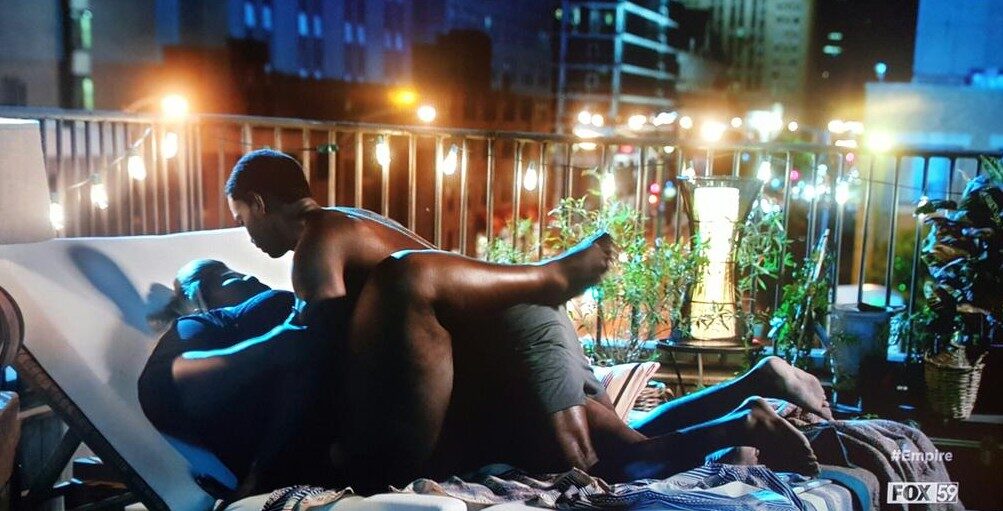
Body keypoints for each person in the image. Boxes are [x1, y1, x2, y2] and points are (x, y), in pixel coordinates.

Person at [222, 149, 827, 494]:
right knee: (629, 442)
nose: (246, 234)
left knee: (598, 468)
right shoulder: (359, 220)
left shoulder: (316, 244)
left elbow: (315, 354)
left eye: (242, 218)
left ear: (259, 203)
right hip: (528, 321)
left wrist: (264, 468)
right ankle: (757, 383)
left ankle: (746, 425)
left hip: (509, 338)